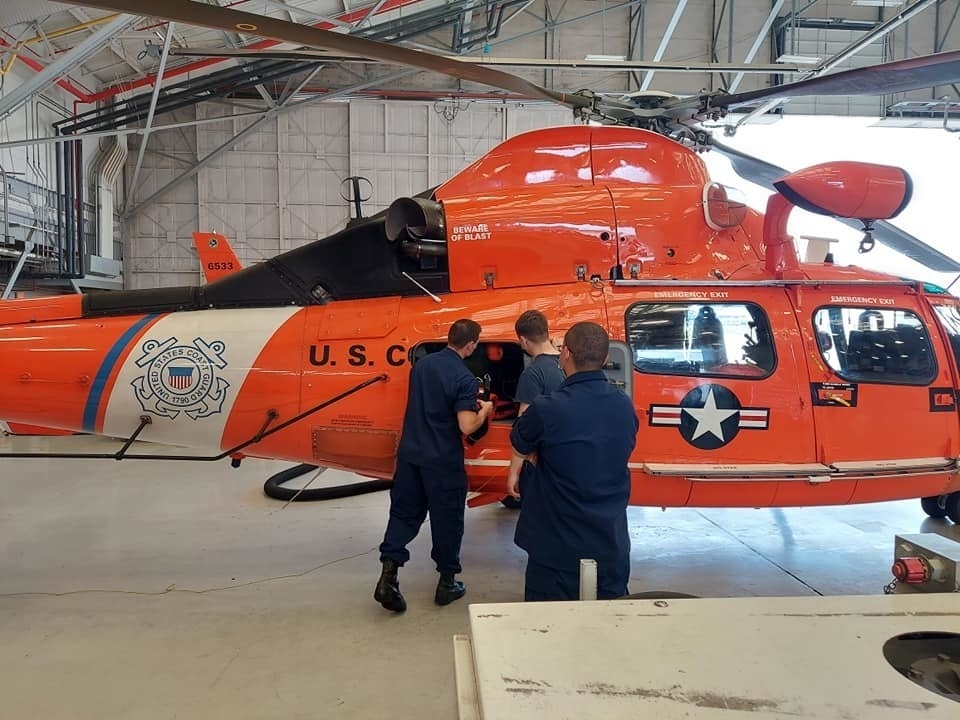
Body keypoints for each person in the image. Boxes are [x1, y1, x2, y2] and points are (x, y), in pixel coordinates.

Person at [507, 321, 639, 601]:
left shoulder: (546, 408)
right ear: (605, 359)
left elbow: (519, 440)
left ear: (564, 353)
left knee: (548, 631)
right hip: (610, 548)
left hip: (556, 552)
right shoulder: (624, 406)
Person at [375, 319, 494, 613]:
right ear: (471, 345)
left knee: (403, 514)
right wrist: (486, 411)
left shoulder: (422, 367)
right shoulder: (465, 379)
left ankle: (388, 576)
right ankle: (447, 582)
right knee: (447, 520)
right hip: (442, 461)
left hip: (411, 455)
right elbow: (467, 426)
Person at [502, 310, 565, 509]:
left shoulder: (533, 373)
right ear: (546, 332)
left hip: (544, 463)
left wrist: (514, 472)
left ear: (523, 340)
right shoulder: (569, 364)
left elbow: (524, 429)